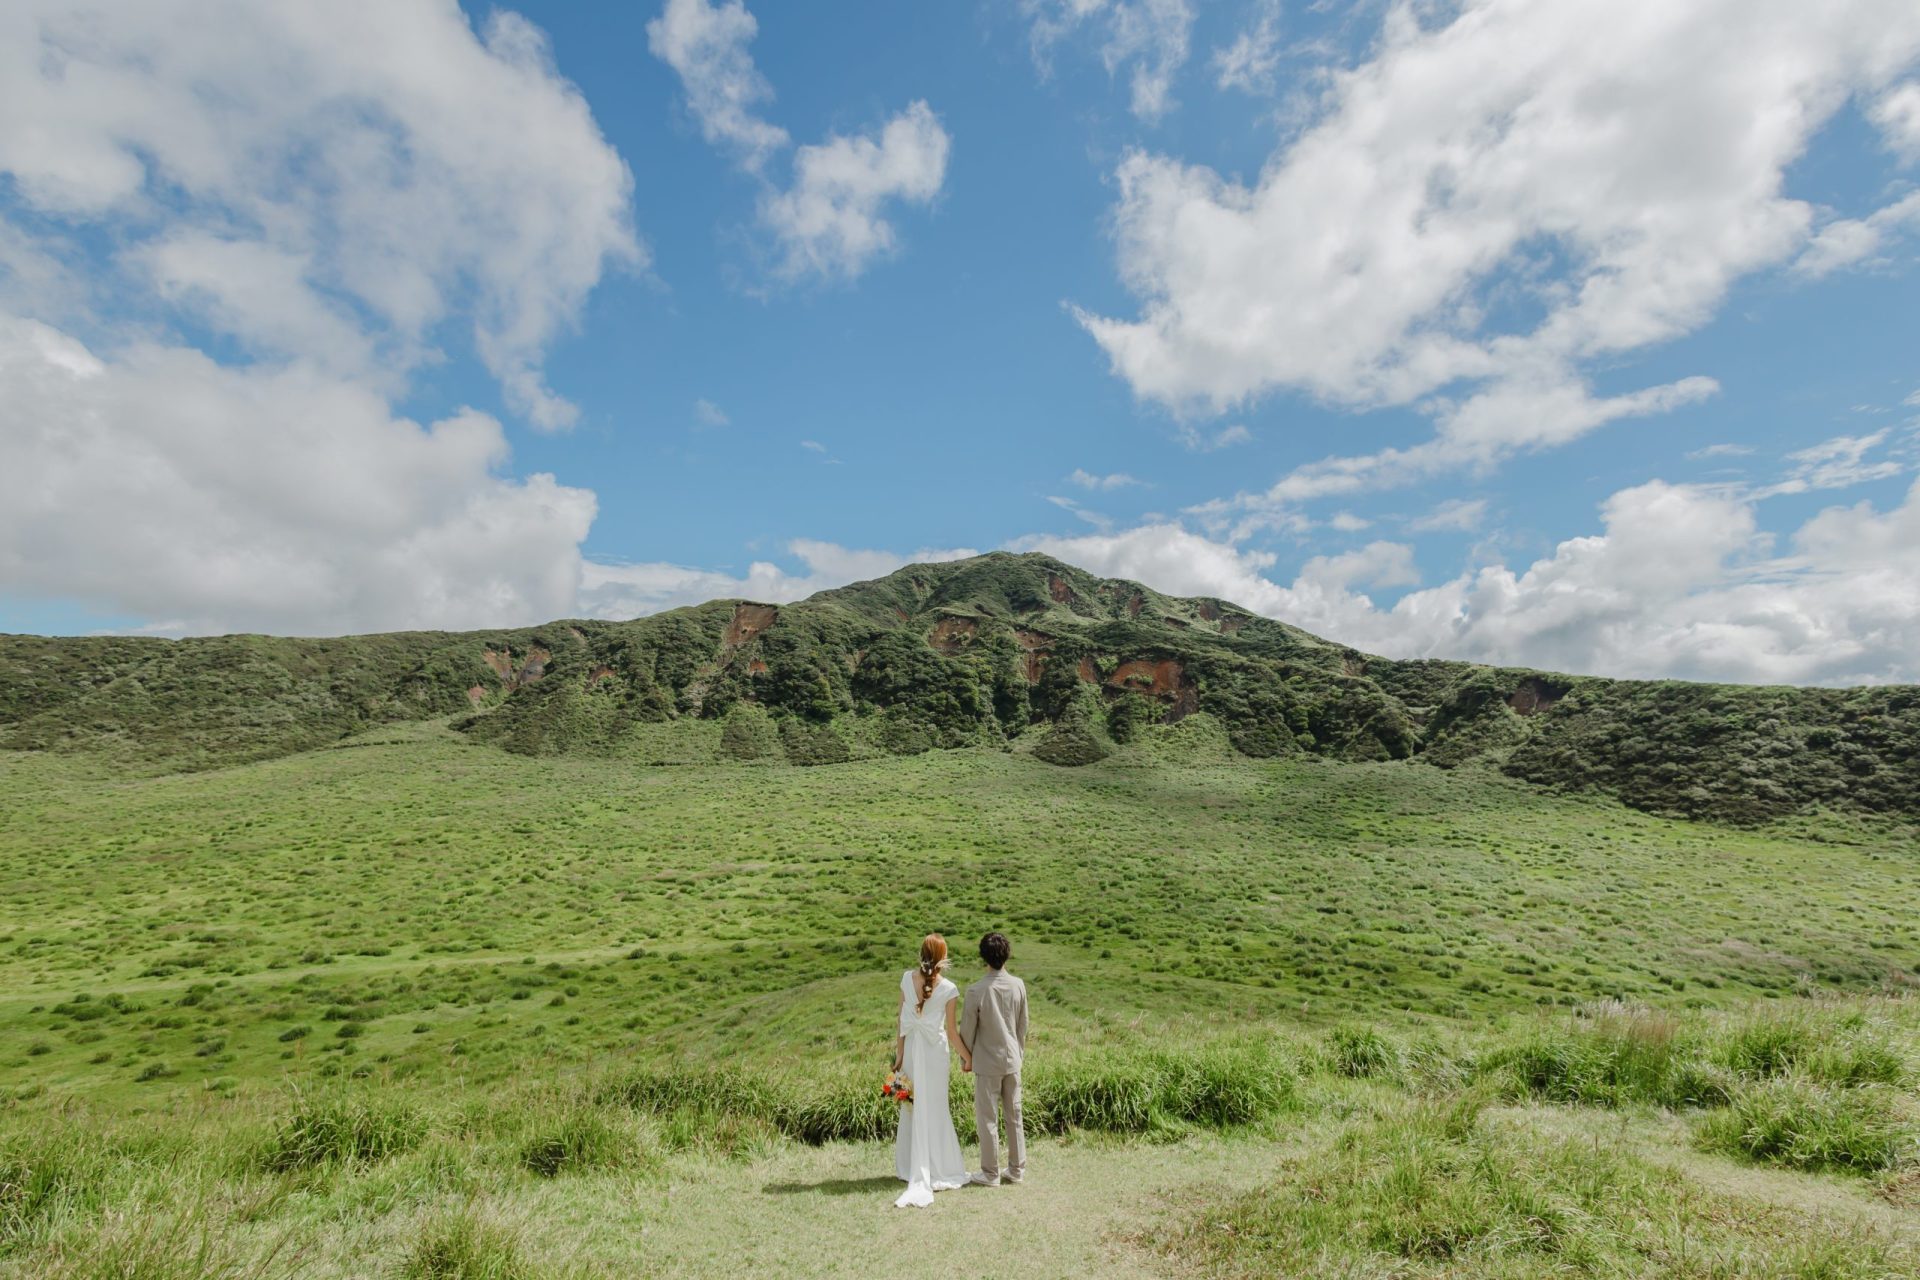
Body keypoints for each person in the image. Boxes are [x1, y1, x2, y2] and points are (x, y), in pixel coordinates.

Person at [891, 933, 969, 1208]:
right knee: (936, 1106)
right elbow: (951, 1032)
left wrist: (899, 1054)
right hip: (935, 1054)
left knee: (911, 1106)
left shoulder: (905, 979)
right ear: (942, 957)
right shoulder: (949, 988)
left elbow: (901, 1020)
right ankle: (939, 1166)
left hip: (912, 1050)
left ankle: (907, 1166)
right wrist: (967, 1057)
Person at [958, 930, 1028, 1186]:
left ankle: (990, 1173)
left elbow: (967, 1030)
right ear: (1006, 955)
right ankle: (1017, 1169)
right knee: (1014, 1115)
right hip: (1012, 1059)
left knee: (988, 1119)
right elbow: (1023, 1025)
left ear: (983, 957)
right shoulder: (1018, 984)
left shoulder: (976, 991)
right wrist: (1019, 1053)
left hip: (987, 1063)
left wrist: (966, 1060)